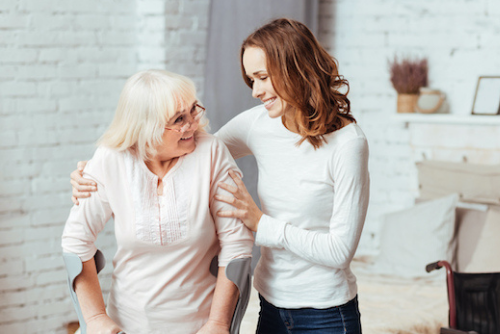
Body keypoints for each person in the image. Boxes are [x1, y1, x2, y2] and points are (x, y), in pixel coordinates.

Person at [71, 18, 369, 333]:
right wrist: (97, 170)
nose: (255, 91)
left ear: (295, 68)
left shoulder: (349, 145)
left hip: (326, 312)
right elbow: (190, 149)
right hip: (271, 304)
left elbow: (339, 251)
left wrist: (260, 223)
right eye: (250, 80)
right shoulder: (259, 123)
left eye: (262, 77)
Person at [62, 69, 254, 334]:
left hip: (200, 326)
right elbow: (76, 240)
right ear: (146, 127)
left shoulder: (211, 153)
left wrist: (219, 324)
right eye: (179, 119)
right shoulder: (110, 160)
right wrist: (95, 318)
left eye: (192, 111)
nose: (193, 124)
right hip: (126, 325)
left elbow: (237, 246)